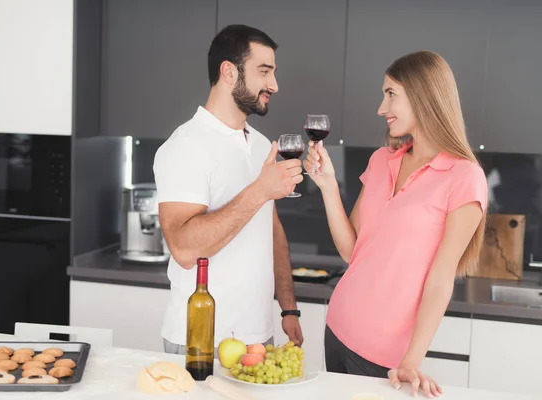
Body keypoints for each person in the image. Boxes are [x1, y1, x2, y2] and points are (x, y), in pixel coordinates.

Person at [304, 50, 488, 397]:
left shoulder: (464, 177)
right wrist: (328, 184)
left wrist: (411, 361)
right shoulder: (380, 161)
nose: (381, 108)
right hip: (337, 327)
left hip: (385, 355)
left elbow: (440, 279)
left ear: (423, 96)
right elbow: (351, 251)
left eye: (391, 95)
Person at [153, 24, 304, 355]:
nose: (274, 85)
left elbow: (272, 231)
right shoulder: (185, 146)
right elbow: (183, 248)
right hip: (202, 338)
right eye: (264, 72)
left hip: (258, 337)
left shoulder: (261, 143)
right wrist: (261, 190)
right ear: (228, 72)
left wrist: (288, 307)